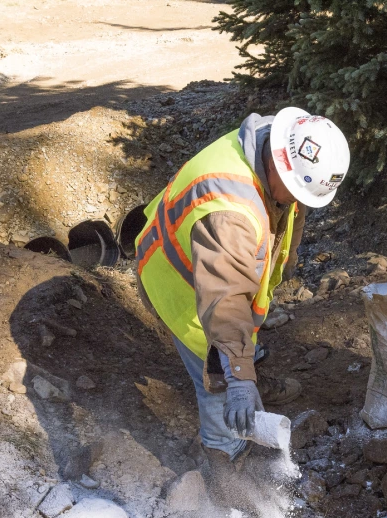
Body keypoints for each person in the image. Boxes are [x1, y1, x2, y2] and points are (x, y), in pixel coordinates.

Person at [134, 108, 350, 470]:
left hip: (215, 269)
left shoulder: (275, 146)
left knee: (238, 345)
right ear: (279, 167)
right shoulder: (230, 211)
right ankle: (224, 458)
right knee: (217, 379)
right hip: (181, 285)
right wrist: (236, 377)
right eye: (297, 192)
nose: (298, 202)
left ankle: (249, 375)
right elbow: (224, 300)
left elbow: (284, 217)